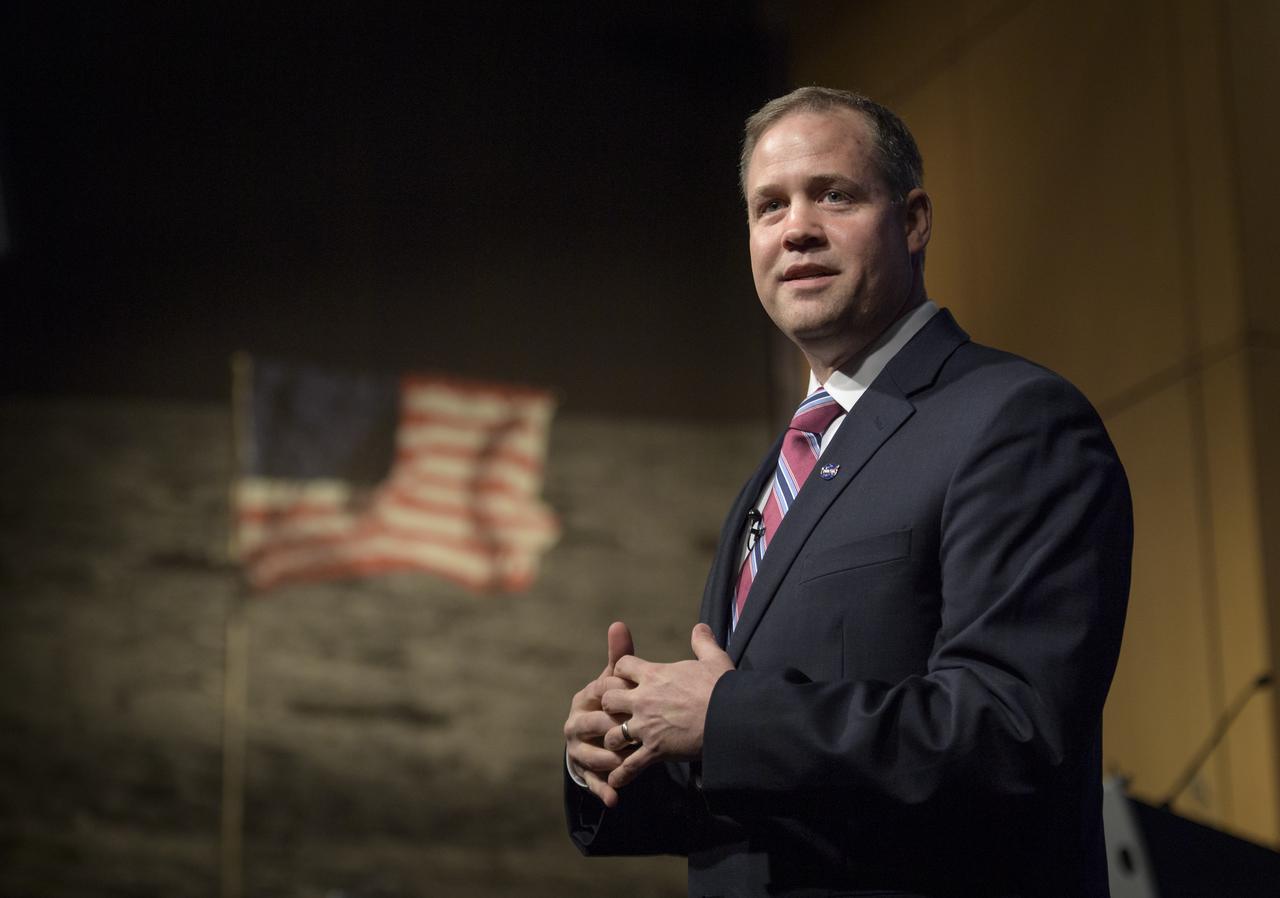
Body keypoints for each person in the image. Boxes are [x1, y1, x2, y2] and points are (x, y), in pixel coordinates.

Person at [562, 86, 1132, 898]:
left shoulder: (1014, 420)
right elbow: (767, 786)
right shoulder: (776, 473)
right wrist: (624, 754)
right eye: (769, 207)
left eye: (834, 194)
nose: (796, 228)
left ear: (914, 220)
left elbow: (1010, 733)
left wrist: (726, 718)